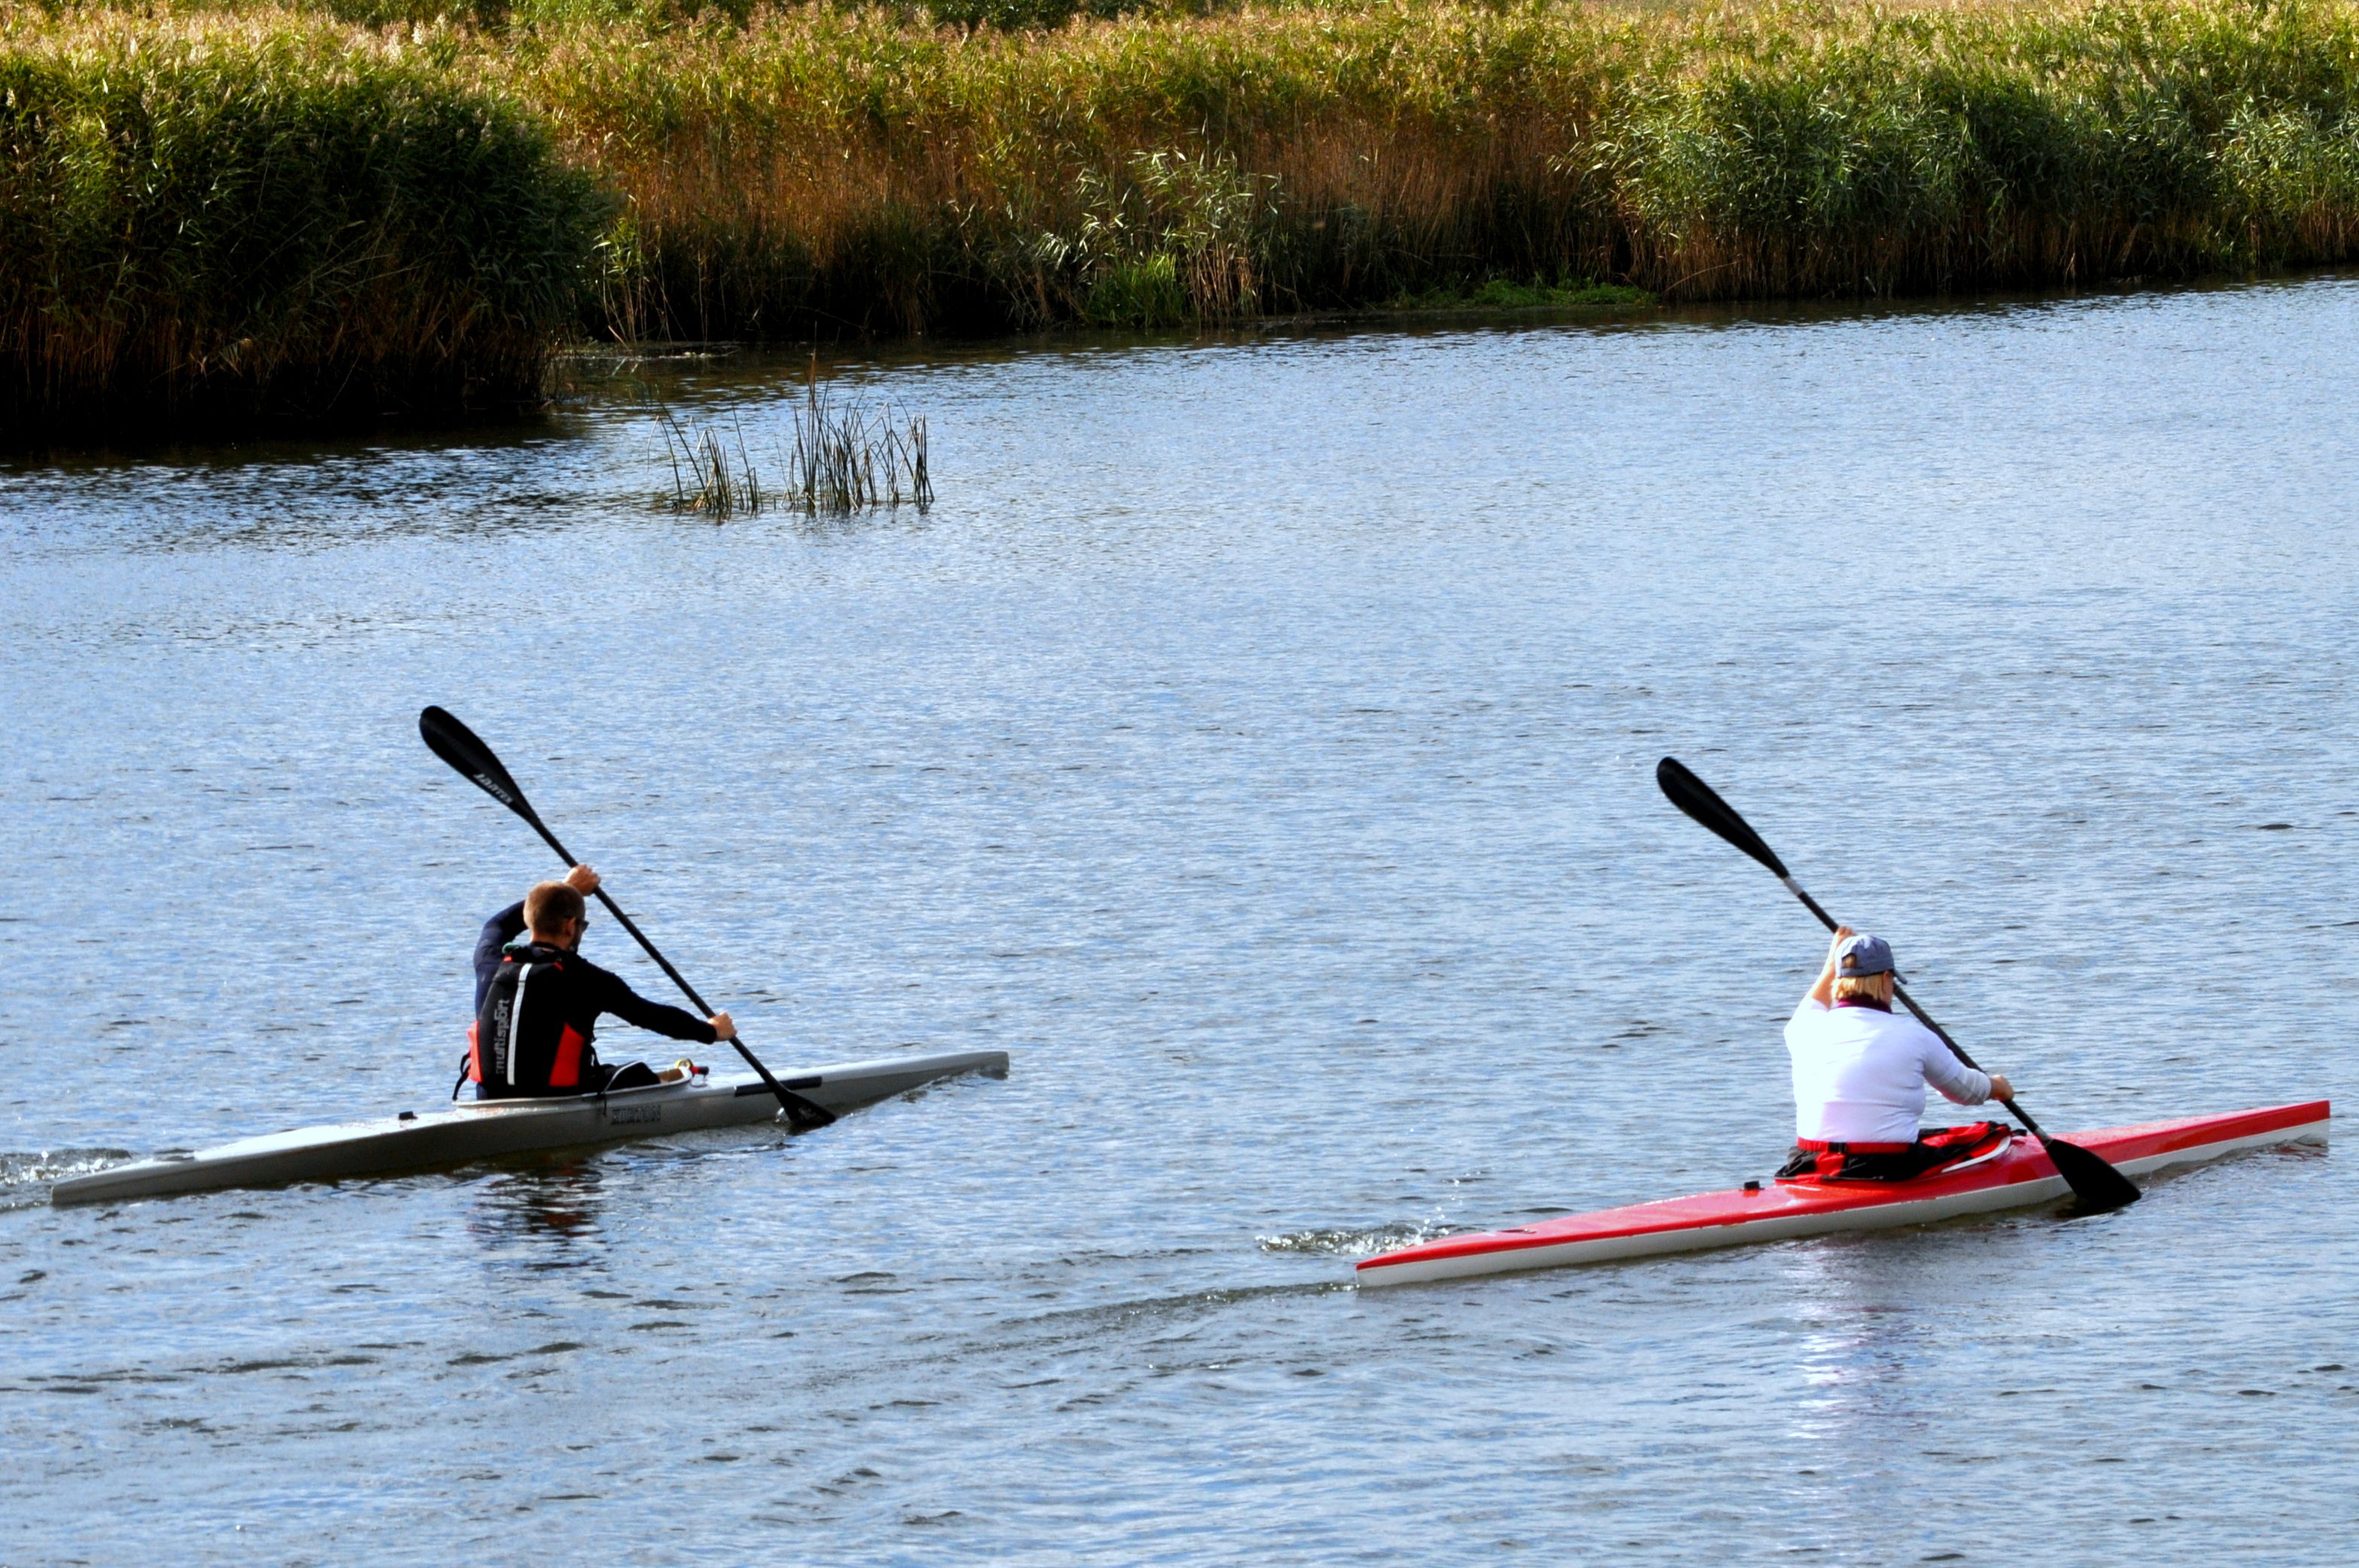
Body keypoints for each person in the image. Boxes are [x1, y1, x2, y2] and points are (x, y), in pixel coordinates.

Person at [463, 863, 735, 1100]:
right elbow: (654, 1017)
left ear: (529, 920)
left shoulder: (490, 963)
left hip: (491, 1099)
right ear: (571, 926)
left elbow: (495, 926)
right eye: (582, 926)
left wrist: (566, 887)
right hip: (560, 1101)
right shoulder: (587, 978)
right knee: (636, 1072)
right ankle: (678, 1077)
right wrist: (711, 1032)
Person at [1777, 926, 2014, 1182]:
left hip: (1808, 1163)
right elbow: (1966, 1092)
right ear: (1886, 978)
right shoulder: (1913, 1035)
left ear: (1838, 978)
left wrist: (1831, 965)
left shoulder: (1802, 1028)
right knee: (1994, 1135)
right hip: (1885, 1166)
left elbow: (1814, 1002)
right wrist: (1997, 1087)